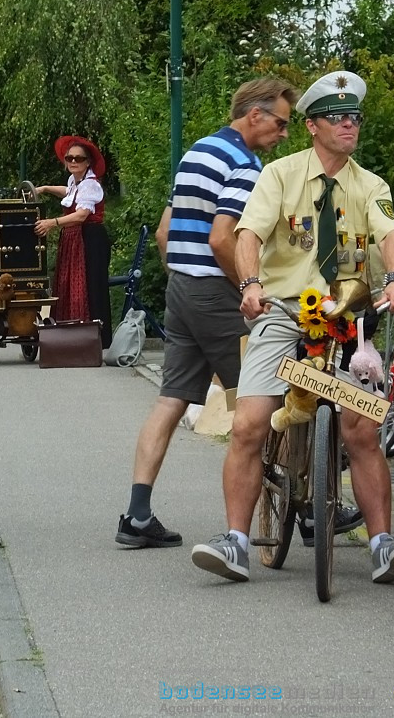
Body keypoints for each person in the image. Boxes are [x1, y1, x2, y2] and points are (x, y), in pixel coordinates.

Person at [190, 70, 394, 585]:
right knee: (249, 423)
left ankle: (382, 544)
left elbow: (391, 236)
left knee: (362, 428)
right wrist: (249, 283)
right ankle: (235, 542)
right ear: (313, 126)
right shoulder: (278, 175)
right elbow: (247, 233)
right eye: (338, 117)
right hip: (285, 312)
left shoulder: (370, 184)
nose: (349, 125)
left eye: (355, 117)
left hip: (348, 319)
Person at [115, 78, 298, 549]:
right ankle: (306, 511)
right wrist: (245, 286)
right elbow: (223, 238)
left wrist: (183, 275)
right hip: (218, 294)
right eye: (280, 123)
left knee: (171, 398)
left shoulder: (198, 151)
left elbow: (163, 232)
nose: (284, 134)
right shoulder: (244, 163)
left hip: (181, 289)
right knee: (268, 398)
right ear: (253, 115)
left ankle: (136, 515)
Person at [33, 136, 113, 347]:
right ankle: (69, 334)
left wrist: (53, 222)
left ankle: (92, 338)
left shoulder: (91, 185)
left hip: (89, 239)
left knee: (88, 286)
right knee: (68, 284)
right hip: (74, 240)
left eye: (79, 158)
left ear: (88, 162)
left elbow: (81, 215)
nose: (73, 161)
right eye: (70, 158)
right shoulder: (75, 181)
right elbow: (70, 192)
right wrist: (47, 188)